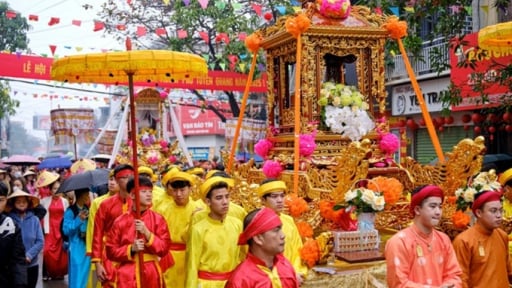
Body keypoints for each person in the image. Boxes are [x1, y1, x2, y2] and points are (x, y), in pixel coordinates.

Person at [385, 185, 462, 287]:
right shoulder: (399, 242)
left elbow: (454, 275)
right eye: (432, 206)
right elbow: (399, 283)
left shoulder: (443, 239)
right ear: (417, 210)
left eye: (440, 207)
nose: (438, 212)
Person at [106, 175, 171, 288]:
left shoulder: (158, 219)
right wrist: (131, 249)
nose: (149, 194)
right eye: (144, 191)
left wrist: (147, 233)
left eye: (150, 191)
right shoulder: (120, 221)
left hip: (151, 272)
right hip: (127, 275)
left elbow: (164, 248)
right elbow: (110, 251)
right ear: (132, 195)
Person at [185, 176, 244, 288]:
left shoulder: (237, 224)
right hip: (207, 284)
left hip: (233, 283)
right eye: (219, 198)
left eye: (227, 197)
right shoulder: (198, 229)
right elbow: (192, 265)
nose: (225, 202)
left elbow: (244, 256)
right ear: (208, 201)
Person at [152, 169, 203, 288]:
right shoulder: (162, 209)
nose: (178, 194)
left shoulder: (199, 209)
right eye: (175, 190)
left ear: (190, 189)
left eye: (182, 190)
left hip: (190, 257)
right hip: (167, 256)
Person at [226, 207, 298, 288]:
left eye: (280, 229)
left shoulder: (286, 266)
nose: (283, 235)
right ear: (258, 238)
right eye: (276, 230)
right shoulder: (241, 280)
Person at [453, 189, 512, 287]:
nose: (499, 215)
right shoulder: (464, 241)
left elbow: (509, 270)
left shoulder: (502, 236)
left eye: (500, 210)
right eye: (493, 211)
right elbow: (460, 280)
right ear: (479, 213)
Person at [91, 164, 134, 287]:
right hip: (110, 255)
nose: (129, 180)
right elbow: (97, 235)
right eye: (124, 177)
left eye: (131, 176)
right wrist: (98, 264)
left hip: (133, 254)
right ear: (115, 180)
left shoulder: (140, 203)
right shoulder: (105, 205)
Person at [258, 179, 308, 283]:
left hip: (292, 275)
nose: (280, 200)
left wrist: (295, 272)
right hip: (268, 279)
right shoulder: (258, 223)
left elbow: (298, 250)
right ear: (263, 200)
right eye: (274, 196)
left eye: (282, 195)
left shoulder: (288, 221)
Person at [86, 169, 119, 288]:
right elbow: (92, 228)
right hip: (102, 248)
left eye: (115, 180)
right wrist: (93, 252)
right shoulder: (98, 202)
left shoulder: (129, 201)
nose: (112, 183)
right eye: (110, 179)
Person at [7, 189, 44, 288]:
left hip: (32, 265)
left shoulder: (35, 219)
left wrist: (29, 255)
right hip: (15, 266)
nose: (21, 204)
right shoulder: (9, 220)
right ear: (13, 203)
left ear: (28, 203)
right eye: (18, 202)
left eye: (24, 201)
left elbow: (40, 241)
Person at [38, 171, 69, 281]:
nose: (57, 191)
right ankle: (46, 272)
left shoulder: (65, 201)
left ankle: (58, 273)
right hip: (49, 229)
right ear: (50, 190)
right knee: (47, 252)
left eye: (58, 188)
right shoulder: (44, 201)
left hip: (61, 229)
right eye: (54, 188)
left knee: (61, 252)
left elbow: (67, 215)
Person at [0, 182, 28, 287]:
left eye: (1, 200)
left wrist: (20, 284)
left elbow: (18, 259)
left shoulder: (10, 225)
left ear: (6, 200)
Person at [62, 188, 91, 288]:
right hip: (75, 247)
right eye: (86, 194)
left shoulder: (87, 208)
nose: (88, 197)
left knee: (85, 276)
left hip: (86, 246)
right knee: (76, 275)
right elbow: (66, 230)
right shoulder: (71, 211)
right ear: (80, 195)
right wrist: (78, 220)